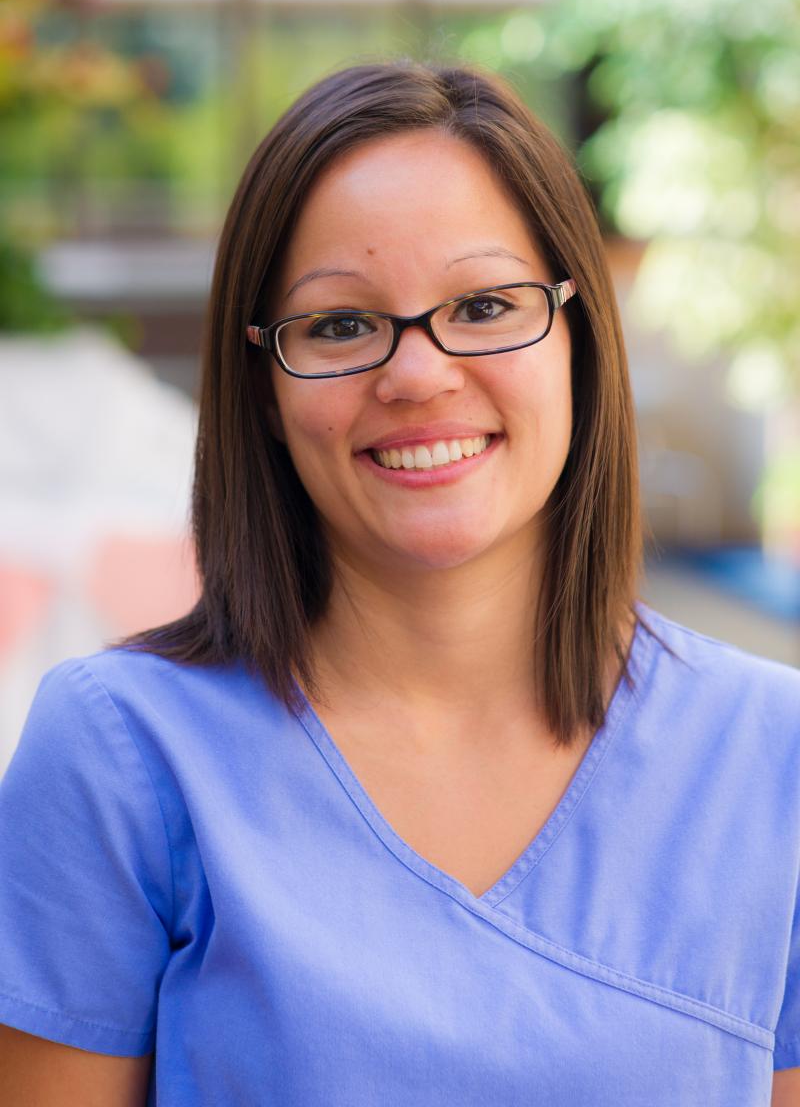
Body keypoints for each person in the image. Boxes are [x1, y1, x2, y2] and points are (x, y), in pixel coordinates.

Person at [0, 60, 798, 1107]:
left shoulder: (769, 756)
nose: (416, 374)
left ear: (580, 339)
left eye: (481, 304)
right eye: (337, 324)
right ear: (261, 384)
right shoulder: (119, 755)